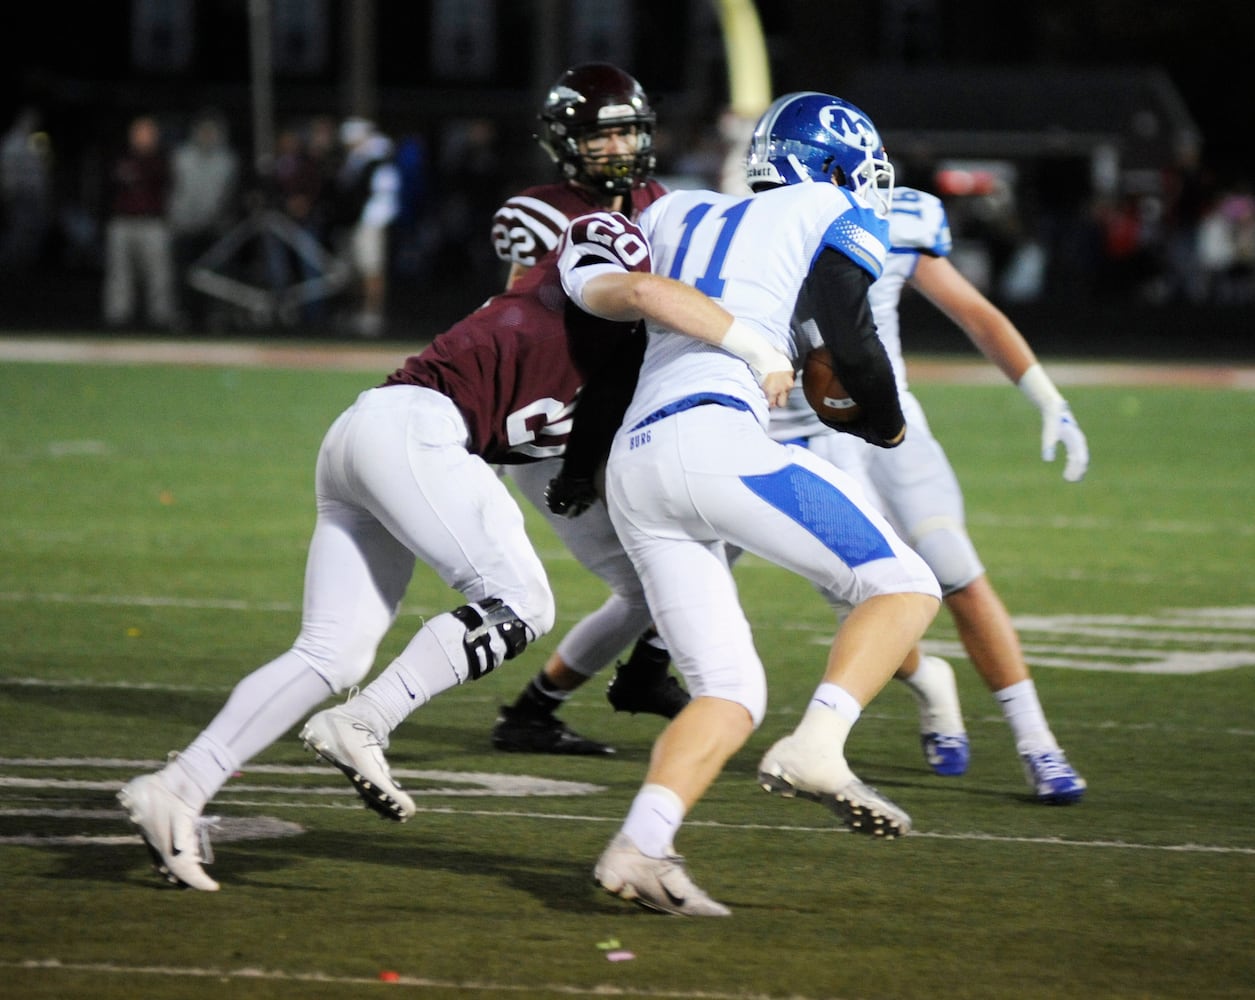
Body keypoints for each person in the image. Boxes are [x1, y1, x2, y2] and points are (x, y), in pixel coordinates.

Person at [116, 208, 790, 892]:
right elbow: (642, 291)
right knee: (521, 600)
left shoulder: (633, 365)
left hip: (380, 437)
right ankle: (366, 719)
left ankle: (176, 788)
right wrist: (759, 349)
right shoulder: (607, 261)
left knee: (330, 652)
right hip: (414, 425)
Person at [583, 92, 943, 916]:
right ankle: (819, 745)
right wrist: (884, 426)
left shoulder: (674, 212)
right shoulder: (826, 205)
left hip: (635, 463)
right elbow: (852, 333)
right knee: (905, 586)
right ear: (826, 167)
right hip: (715, 441)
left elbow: (628, 329)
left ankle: (639, 846)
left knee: (730, 690)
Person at [768, 182, 1090, 804]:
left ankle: (1038, 744)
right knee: (859, 595)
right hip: (806, 433)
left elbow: (977, 314)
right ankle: (930, 684)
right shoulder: (763, 222)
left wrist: (1048, 398)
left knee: (956, 572)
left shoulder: (898, 215)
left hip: (891, 424)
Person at [487, 63, 687, 756]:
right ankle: (547, 707)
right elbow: (516, 321)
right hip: (555, 427)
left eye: (629, 132)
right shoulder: (540, 213)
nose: (618, 149)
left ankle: (543, 708)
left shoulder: (661, 201)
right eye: (602, 137)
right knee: (651, 581)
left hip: (626, 419)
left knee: (696, 549)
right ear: (564, 142)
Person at [101, 115, 176, 330]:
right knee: (119, 273)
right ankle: (117, 319)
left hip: (153, 223)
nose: (142, 138)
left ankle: (160, 319)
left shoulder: (162, 160)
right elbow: (108, 189)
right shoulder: (120, 158)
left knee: (158, 274)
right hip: (122, 222)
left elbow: (171, 188)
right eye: (138, 132)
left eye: (147, 133)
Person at [167, 111, 240, 330]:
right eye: (203, 131)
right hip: (184, 226)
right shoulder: (181, 156)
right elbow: (172, 188)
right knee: (184, 274)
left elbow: (230, 194)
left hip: (215, 228)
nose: (207, 135)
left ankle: (215, 315)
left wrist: (221, 217)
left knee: (215, 276)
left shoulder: (227, 160)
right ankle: (182, 314)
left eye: (212, 132)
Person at [332, 117, 401, 337]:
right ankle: (357, 312)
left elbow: (385, 197)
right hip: (355, 223)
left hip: (370, 223)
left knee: (372, 270)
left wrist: (374, 222)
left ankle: (372, 315)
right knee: (354, 271)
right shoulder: (357, 160)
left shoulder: (378, 160)